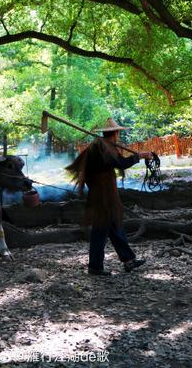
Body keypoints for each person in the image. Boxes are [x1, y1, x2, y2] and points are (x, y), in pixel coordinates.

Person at [66, 118, 154, 276]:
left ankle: (128, 260)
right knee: (100, 230)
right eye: (118, 132)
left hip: (106, 195)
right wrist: (139, 156)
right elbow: (120, 163)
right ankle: (95, 267)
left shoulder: (104, 146)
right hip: (102, 197)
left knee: (115, 227)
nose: (118, 135)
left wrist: (139, 156)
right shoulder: (101, 146)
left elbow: (115, 162)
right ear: (115, 133)